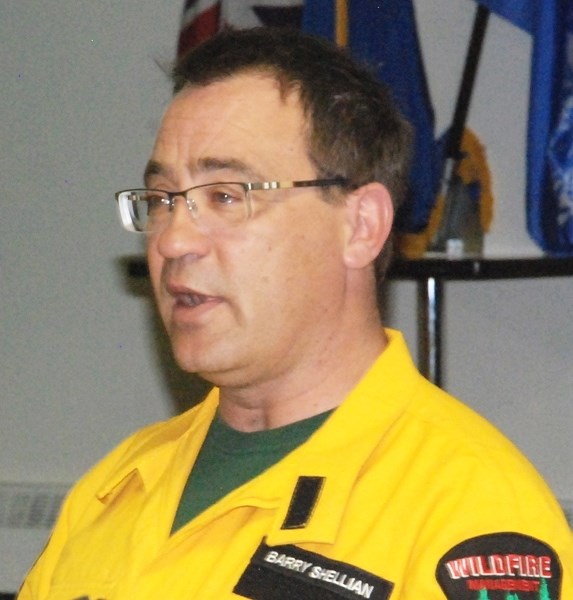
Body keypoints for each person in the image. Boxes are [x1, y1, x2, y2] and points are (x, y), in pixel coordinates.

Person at [18, 27, 572, 600]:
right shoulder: (118, 485)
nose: (174, 240)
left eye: (227, 196)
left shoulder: (469, 513)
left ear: (360, 226)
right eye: (162, 200)